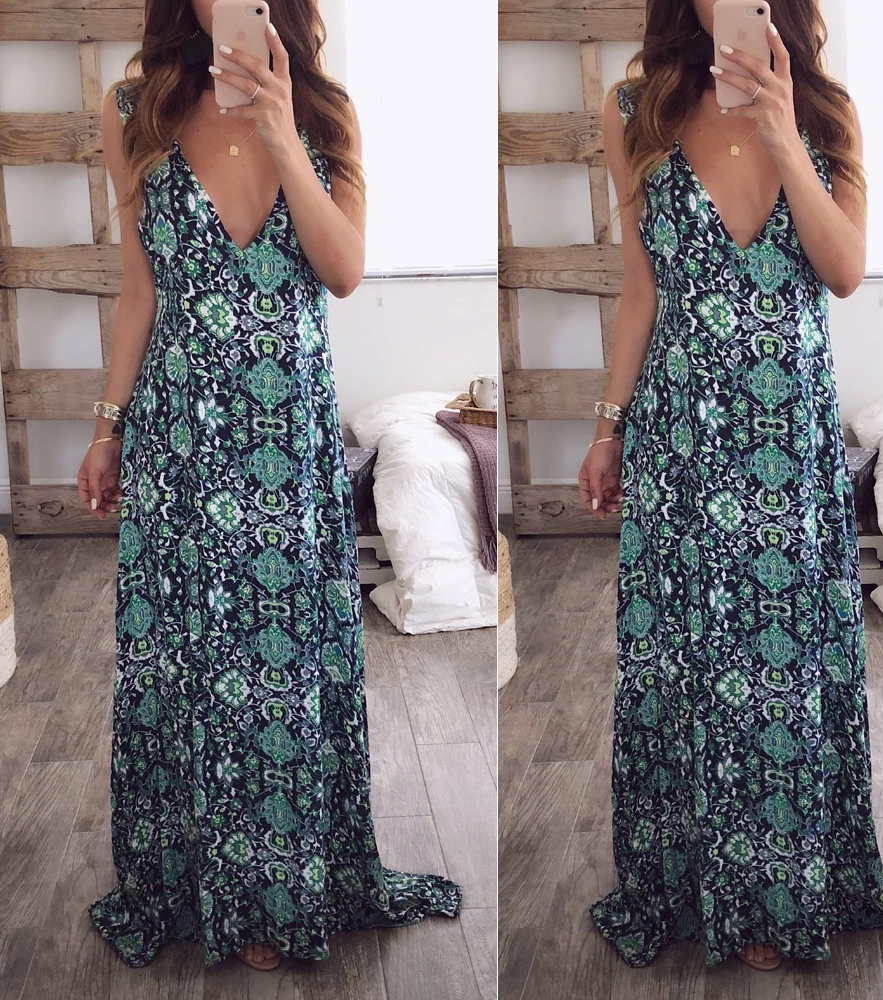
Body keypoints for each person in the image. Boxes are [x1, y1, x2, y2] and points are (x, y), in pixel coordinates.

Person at [577, 0, 883, 974]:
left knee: (784, 668)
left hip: (787, 442)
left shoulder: (827, 112)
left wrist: (786, 134)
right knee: (693, 663)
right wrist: (609, 427)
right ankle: (709, 879)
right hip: (681, 442)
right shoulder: (635, 108)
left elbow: (843, 271)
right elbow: (640, 289)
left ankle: (784, 881)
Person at [78, 0, 461, 973]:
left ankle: (281, 882)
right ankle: (207, 878)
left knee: (281, 668)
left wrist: (285, 134)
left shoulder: (326, 113)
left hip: (285, 442)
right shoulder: (135, 109)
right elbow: (139, 289)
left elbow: (343, 270)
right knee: (194, 663)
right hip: (180, 441)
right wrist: (108, 428)